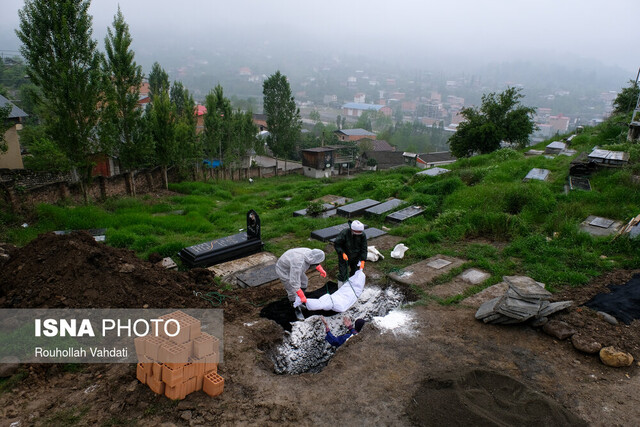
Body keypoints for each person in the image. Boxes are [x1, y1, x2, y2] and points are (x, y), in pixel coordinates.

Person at [275, 248, 327, 321]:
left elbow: (315, 260)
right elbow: (294, 281)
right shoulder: (299, 264)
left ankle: (299, 301)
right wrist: (300, 293)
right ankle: (296, 308)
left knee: (304, 281)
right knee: (292, 290)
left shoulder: (310, 253)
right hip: (284, 269)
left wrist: (319, 268)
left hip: (292, 264)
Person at [334, 220, 367, 287]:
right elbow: (337, 244)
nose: (359, 233)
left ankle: (351, 287)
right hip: (344, 257)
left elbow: (364, 248)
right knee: (343, 274)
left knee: (355, 273)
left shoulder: (362, 235)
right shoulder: (344, 233)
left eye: (360, 232)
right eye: (358, 232)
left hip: (356, 257)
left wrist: (363, 260)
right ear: (352, 229)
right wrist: (342, 253)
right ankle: (340, 289)